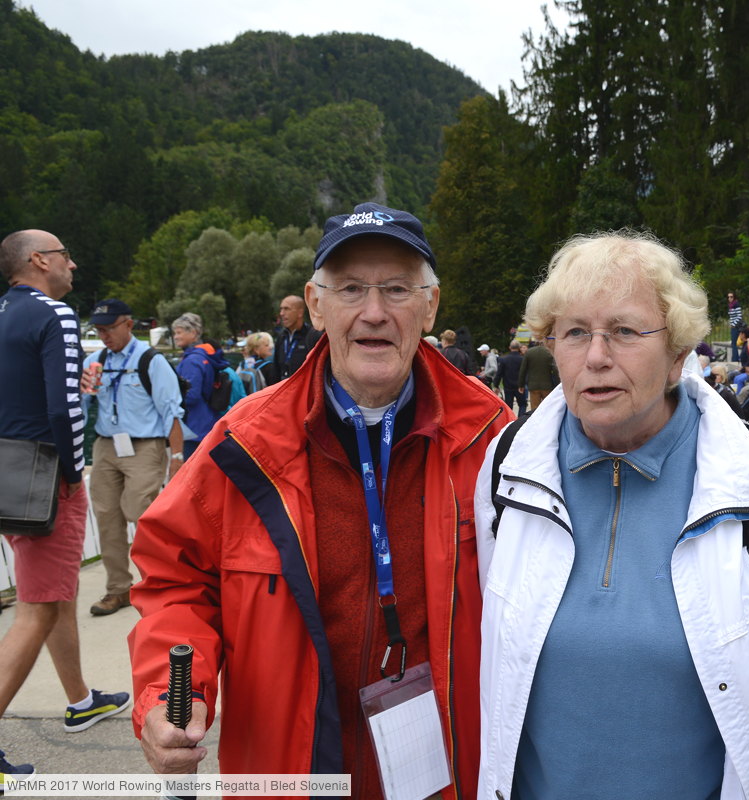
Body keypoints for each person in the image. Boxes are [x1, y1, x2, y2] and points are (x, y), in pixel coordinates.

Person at [128, 203, 512, 796]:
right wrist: (169, 694)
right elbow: (176, 581)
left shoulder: (492, 440)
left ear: (431, 305)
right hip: (290, 770)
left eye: (398, 289)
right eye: (352, 289)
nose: (374, 312)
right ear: (315, 305)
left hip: (445, 769)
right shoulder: (245, 443)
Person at [475, 230, 749, 800]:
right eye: (575, 332)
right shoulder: (508, 467)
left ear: (679, 354)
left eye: (624, 331)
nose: (596, 356)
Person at [0, 231, 131, 779]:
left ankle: (80, 699)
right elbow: (65, 408)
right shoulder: (55, 314)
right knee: (37, 607)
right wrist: (73, 473)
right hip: (46, 474)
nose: (72, 264)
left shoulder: (4, 312)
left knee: (49, 594)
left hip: (8, 469)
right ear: (38, 260)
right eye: (64, 255)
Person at [80, 299, 185, 617]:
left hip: (144, 445)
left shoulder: (150, 360)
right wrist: (85, 393)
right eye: (99, 329)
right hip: (106, 445)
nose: (104, 335)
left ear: (128, 324)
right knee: (106, 516)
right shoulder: (95, 360)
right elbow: (83, 412)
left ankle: (160, 583)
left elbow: (171, 411)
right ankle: (118, 590)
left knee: (141, 510)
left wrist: (177, 457)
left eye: (109, 328)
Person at [171, 313, 217, 460]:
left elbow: (191, 395)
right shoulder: (203, 356)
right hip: (205, 422)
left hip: (194, 427)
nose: (175, 336)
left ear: (193, 333)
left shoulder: (192, 360)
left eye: (179, 332)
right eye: (174, 333)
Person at [272, 294, 320, 383]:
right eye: (281, 309)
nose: (281, 313)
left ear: (300, 313)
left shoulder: (314, 336)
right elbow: (276, 370)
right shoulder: (281, 337)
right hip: (283, 392)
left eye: (286, 309)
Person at [519, 336, 557, 411]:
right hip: (547, 385)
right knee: (548, 408)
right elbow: (555, 370)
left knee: (535, 409)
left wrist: (521, 385)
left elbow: (523, 370)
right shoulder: (549, 352)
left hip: (533, 385)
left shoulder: (529, 352)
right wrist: (557, 384)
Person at [496, 339, 527, 415]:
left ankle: (510, 421)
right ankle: (520, 420)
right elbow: (525, 373)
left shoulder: (503, 359)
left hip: (508, 385)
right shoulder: (522, 359)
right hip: (520, 385)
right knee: (522, 405)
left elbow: (499, 373)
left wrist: (496, 384)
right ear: (519, 348)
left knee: (509, 406)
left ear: (510, 347)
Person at [726, 292, 743, 360]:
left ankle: (735, 358)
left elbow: (739, 317)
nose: (729, 298)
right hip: (733, 326)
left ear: (734, 297)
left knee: (734, 343)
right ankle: (735, 358)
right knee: (734, 343)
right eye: (728, 297)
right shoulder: (731, 305)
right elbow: (732, 317)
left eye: (731, 297)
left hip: (736, 327)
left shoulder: (736, 305)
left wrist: (733, 325)